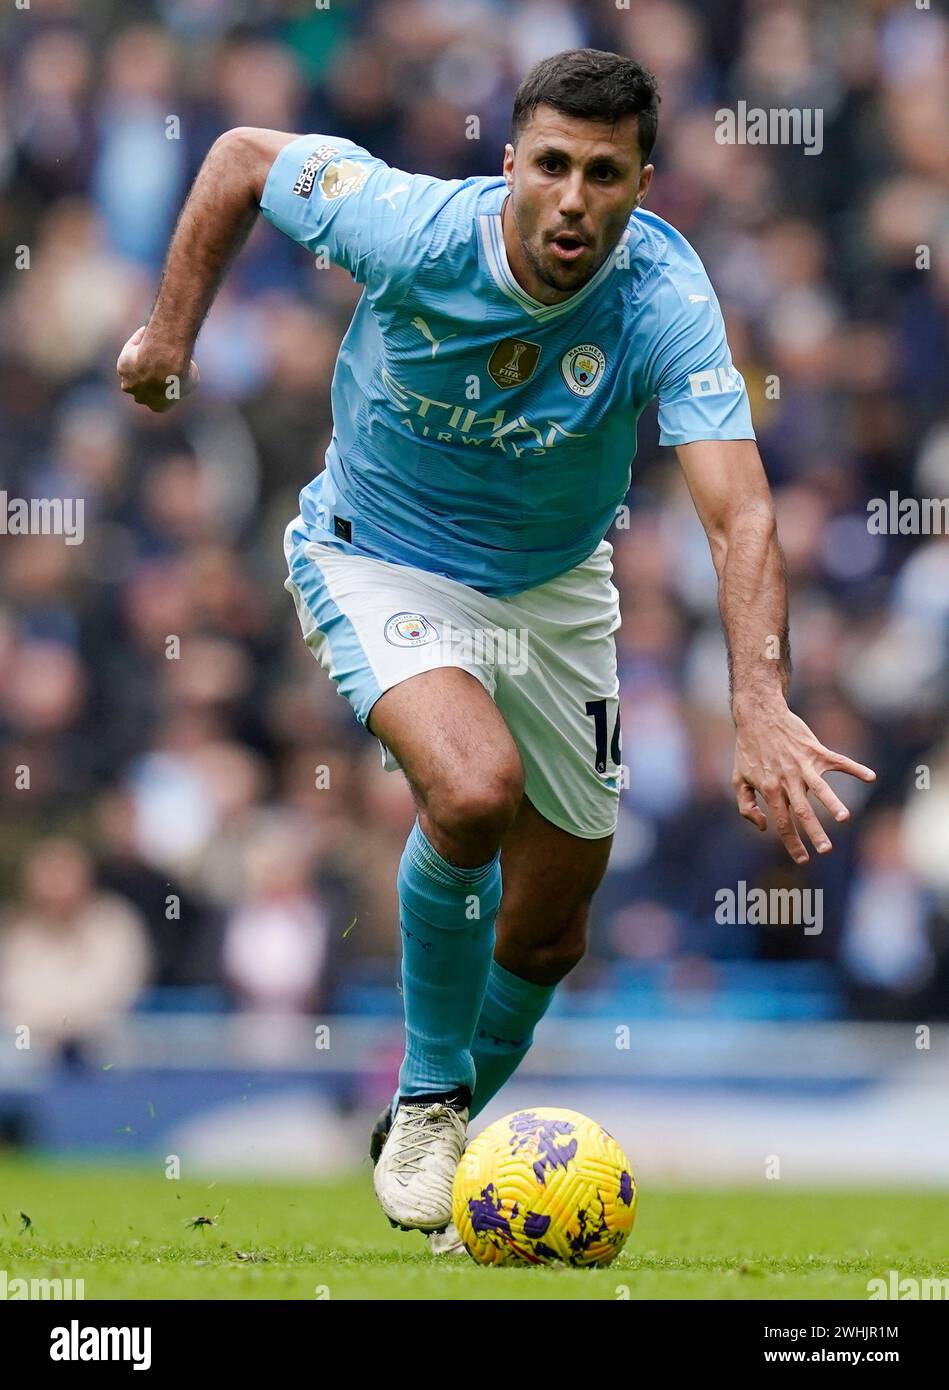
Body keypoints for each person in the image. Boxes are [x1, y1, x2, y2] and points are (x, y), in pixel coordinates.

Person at [117, 47, 876, 1247]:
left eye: (607, 175)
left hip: (555, 590)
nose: (575, 198)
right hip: (377, 555)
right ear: (510, 162)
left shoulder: (664, 297)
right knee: (472, 790)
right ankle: (426, 1101)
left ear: (641, 184)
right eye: (555, 166)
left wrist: (760, 701)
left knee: (548, 930)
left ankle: (448, 1107)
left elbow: (740, 512)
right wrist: (167, 337)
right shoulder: (412, 228)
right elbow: (240, 160)